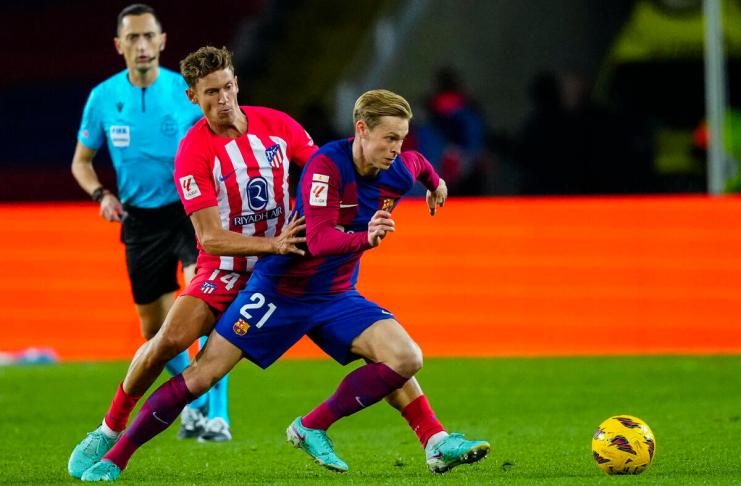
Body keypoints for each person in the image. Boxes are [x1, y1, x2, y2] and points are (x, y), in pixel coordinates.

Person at [78, 89, 490, 481]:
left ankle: (411, 438)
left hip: (335, 296)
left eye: (400, 138)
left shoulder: (397, 167)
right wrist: (369, 237)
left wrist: (436, 183)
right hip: (279, 292)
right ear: (361, 129)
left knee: (405, 357)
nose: (397, 148)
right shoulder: (325, 169)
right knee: (201, 376)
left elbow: (418, 163)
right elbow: (319, 240)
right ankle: (116, 455)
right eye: (389, 139)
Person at [67, 45, 313, 480]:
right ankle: (109, 430)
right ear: (192, 98)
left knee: (362, 332)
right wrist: (273, 244)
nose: (223, 100)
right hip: (225, 272)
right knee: (164, 343)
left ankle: (430, 433)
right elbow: (210, 239)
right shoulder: (193, 152)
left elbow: (324, 173)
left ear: (237, 83)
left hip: (284, 273)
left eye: (228, 87)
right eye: (211, 93)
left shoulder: (279, 126)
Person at [69, 3, 231, 444]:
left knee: (207, 307)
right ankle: (196, 403)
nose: (142, 45)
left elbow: (220, 142)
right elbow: (81, 163)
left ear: (162, 41)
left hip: (189, 212)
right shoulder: (103, 98)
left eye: (149, 37)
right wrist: (101, 195)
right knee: (154, 332)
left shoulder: (186, 93)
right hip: (140, 221)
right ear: (120, 46)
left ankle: (219, 415)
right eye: (133, 38)